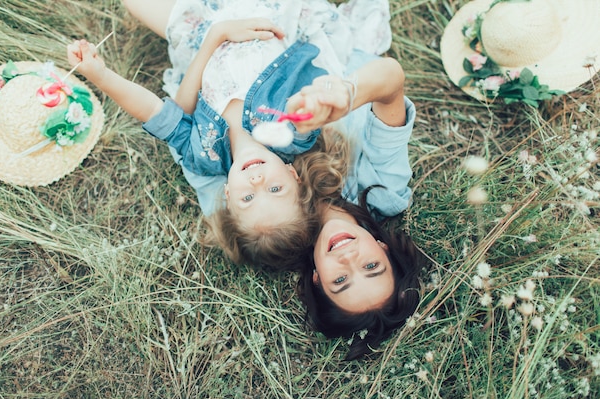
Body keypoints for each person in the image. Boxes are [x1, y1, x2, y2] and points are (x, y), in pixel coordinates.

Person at [68, 0, 393, 270]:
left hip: (201, 34)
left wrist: (101, 75)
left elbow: (160, 111)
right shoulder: (294, 133)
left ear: (226, 196)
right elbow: (314, 92)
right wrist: (315, 103)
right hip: (266, 12)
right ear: (293, 175)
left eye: (247, 199)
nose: (257, 182)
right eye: (276, 189)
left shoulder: (203, 156)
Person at [287, 52, 426, 360]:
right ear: (383, 247)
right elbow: (390, 79)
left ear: (317, 280)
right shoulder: (385, 191)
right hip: (326, 52)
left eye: (340, 281)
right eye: (370, 267)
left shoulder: (273, 225)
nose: (349, 259)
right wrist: (345, 95)